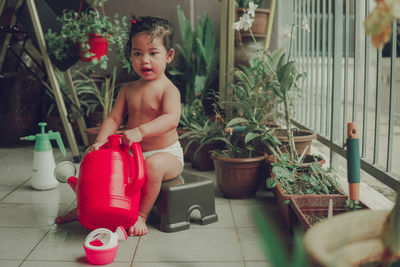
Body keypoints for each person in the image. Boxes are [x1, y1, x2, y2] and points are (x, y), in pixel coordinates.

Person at [55, 16, 184, 236]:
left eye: (153, 53)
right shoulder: (128, 89)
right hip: (133, 157)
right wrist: (100, 143)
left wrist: (141, 131)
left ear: (168, 56)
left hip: (165, 155)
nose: (145, 60)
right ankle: (84, 208)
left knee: (152, 167)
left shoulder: (168, 89)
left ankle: (140, 215)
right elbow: (114, 119)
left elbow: (171, 119)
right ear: (130, 55)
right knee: (101, 169)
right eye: (137, 53)